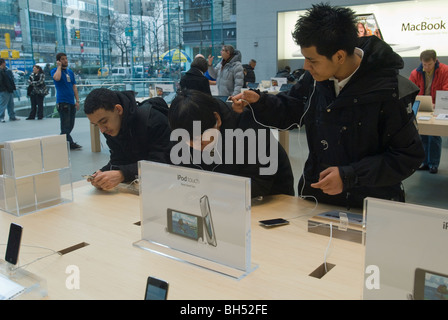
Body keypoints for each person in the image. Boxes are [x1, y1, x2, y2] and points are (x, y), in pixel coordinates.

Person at [231, 3, 425, 209]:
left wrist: (350, 176)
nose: (306, 66)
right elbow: (294, 108)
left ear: (340, 56)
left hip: (372, 205)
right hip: (318, 199)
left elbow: (407, 157)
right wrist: (260, 102)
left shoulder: (389, 90)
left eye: (311, 60)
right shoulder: (317, 77)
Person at [168, 89, 295, 198]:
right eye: (190, 143)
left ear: (217, 119)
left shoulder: (248, 127)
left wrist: (211, 189)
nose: (197, 148)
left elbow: (259, 183)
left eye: (201, 141)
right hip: (219, 200)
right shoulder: (183, 127)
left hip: (270, 198)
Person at [83, 88, 172, 191]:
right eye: (96, 125)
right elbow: (119, 159)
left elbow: (162, 162)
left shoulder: (153, 120)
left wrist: (122, 174)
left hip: (167, 188)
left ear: (118, 109)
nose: (102, 130)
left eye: (104, 121)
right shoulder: (112, 128)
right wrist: (102, 174)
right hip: (141, 189)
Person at [409, 49, 448, 174]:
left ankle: (434, 164)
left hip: (438, 107)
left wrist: (437, 104)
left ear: (435, 61)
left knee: (434, 135)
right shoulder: (415, 73)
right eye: (424, 64)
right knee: (422, 135)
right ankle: (425, 162)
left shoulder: (445, 70)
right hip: (422, 108)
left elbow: (446, 90)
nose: (426, 67)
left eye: (429, 64)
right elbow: (410, 91)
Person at [51, 53, 81, 150]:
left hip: (71, 102)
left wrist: (77, 100)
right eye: (63, 59)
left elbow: (74, 87)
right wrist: (59, 67)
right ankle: (69, 143)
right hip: (62, 102)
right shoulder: (55, 71)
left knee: (70, 124)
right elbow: (57, 78)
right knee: (65, 125)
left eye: (66, 59)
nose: (66, 61)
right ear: (58, 61)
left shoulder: (70, 72)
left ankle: (62, 141)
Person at [0, 58, 20, 122]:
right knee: (3, 104)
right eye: (4, 62)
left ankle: (12, 116)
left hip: (9, 89)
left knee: (11, 104)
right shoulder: (1, 71)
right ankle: (1, 117)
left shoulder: (6, 70)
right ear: (2, 63)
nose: (5, 63)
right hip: (4, 90)